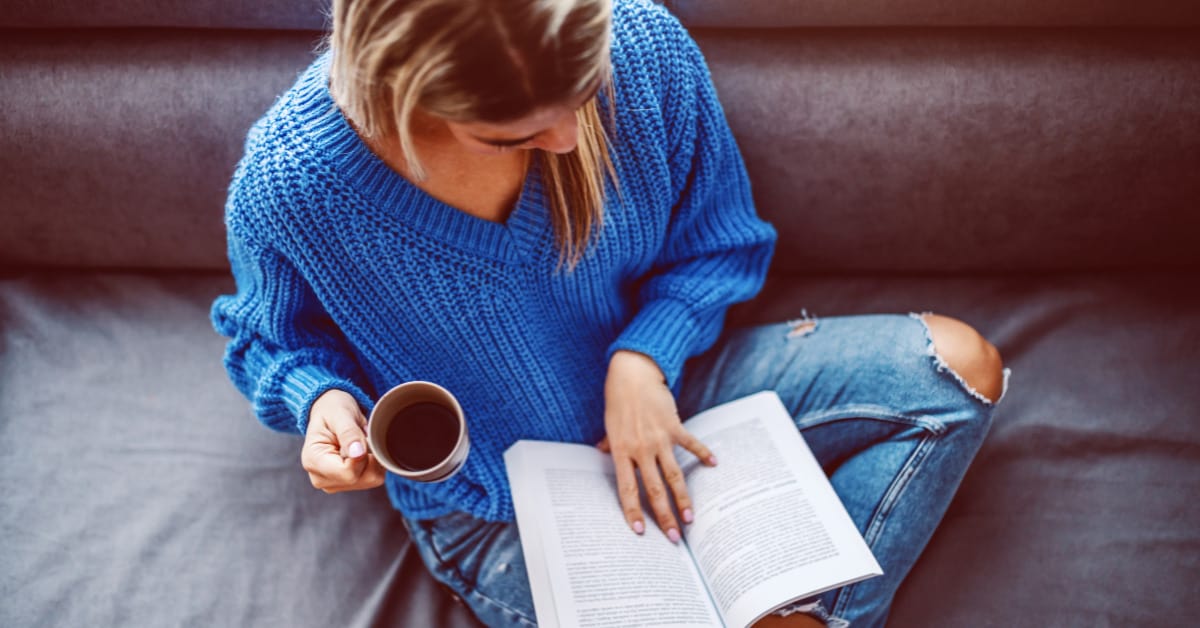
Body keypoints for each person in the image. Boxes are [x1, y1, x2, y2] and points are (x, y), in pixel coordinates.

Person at [211, 0, 1010, 625]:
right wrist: (322, 404)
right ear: (403, 94)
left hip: (684, 394)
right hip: (497, 505)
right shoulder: (291, 185)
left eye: (582, 96)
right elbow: (270, 342)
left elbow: (721, 245)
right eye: (511, 134)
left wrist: (644, 360)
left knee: (956, 369)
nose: (566, 139)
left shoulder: (644, 46)